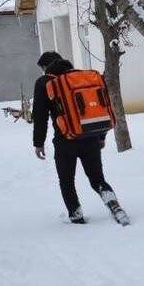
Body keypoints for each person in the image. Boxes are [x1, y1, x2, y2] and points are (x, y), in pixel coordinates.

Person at [32, 51, 128, 225]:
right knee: (98, 179)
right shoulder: (83, 78)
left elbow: (40, 117)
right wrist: (101, 136)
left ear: (46, 67)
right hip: (90, 138)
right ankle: (115, 207)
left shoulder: (44, 83)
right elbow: (100, 108)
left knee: (67, 181)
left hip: (64, 141)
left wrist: (38, 143)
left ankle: (76, 216)